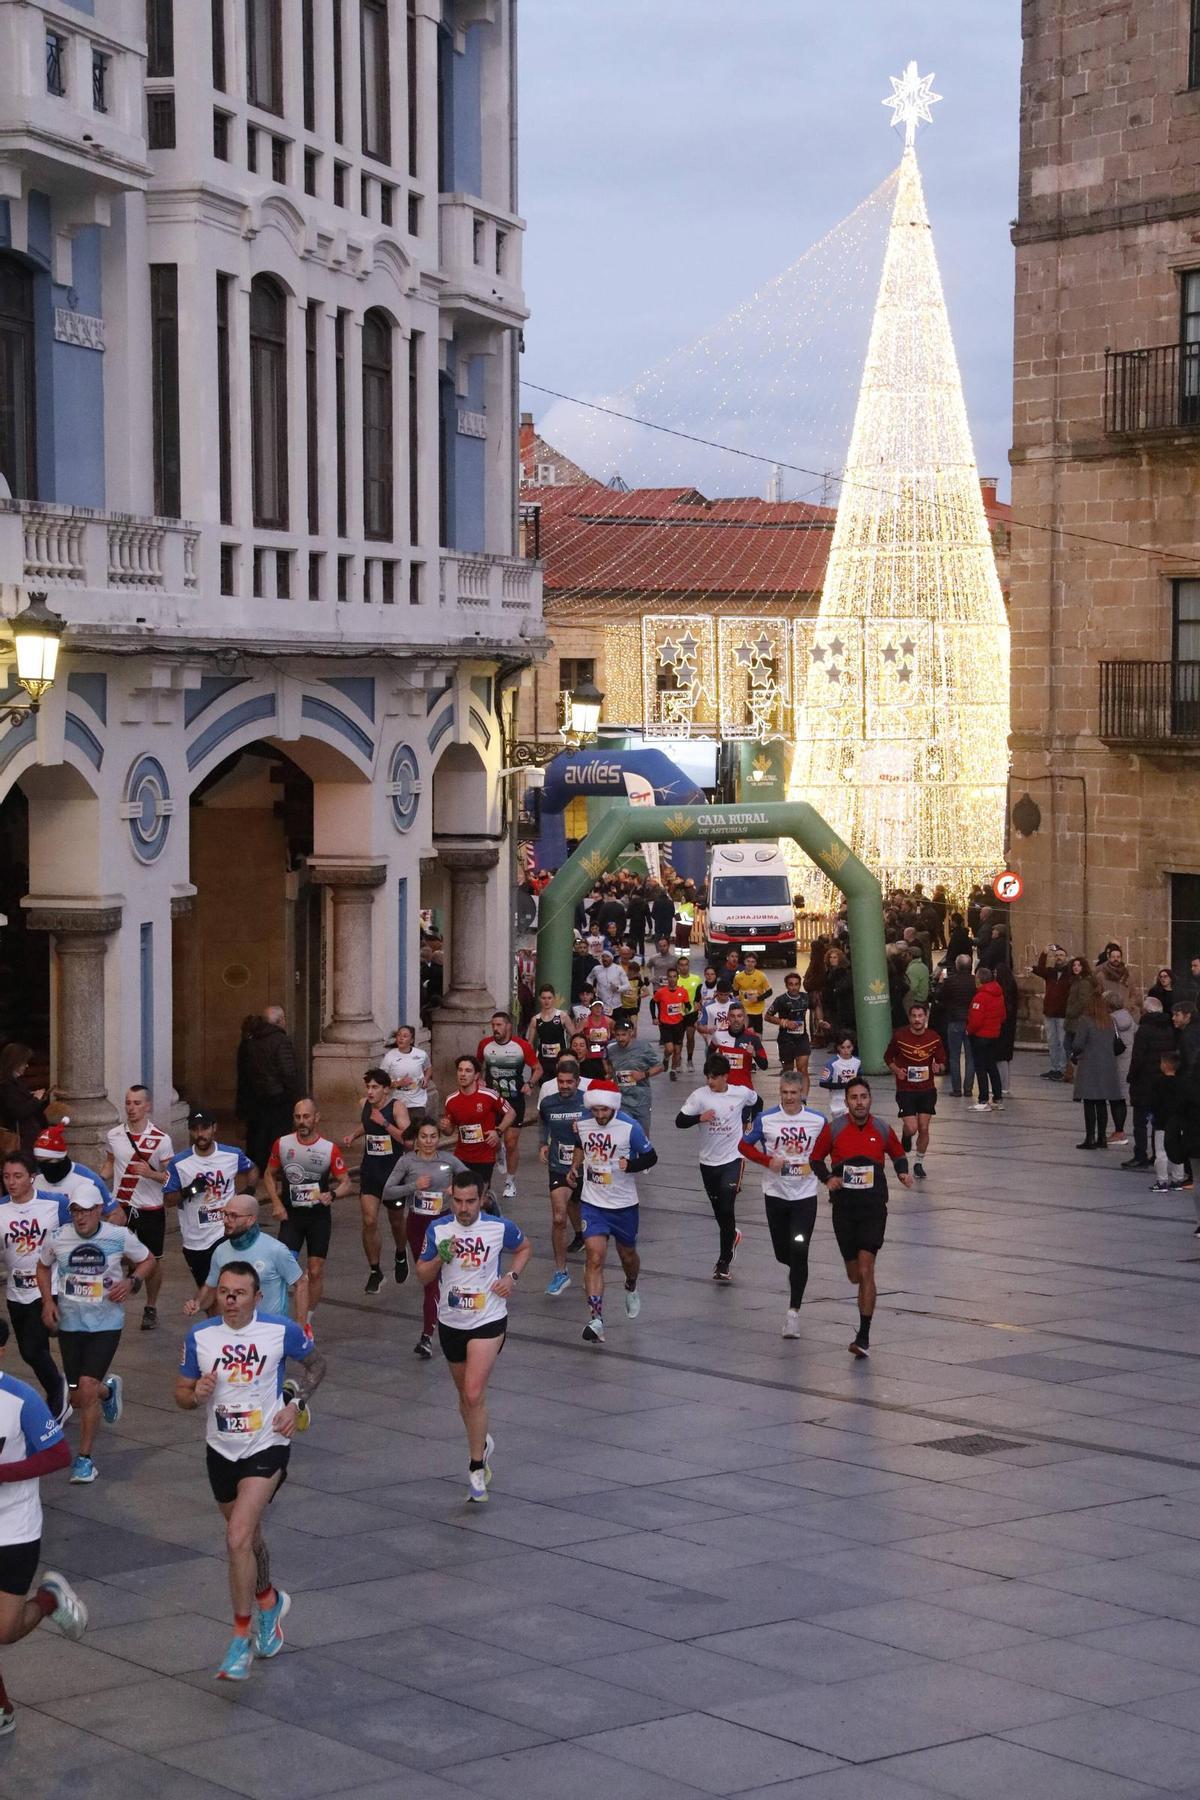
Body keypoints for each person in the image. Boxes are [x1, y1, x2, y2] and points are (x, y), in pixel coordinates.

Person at [176, 1261, 324, 1680]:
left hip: (267, 1446)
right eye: (224, 1291)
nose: (230, 1299)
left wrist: (296, 1405)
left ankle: (240, 1639)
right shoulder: (200, 1337)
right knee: (250, 1540)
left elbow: (317, 1366)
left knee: (236, 1536)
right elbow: (181, 1393)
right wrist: (195, 1394)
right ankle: (269, 1600)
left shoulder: (279, 1331)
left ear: (257, 1298)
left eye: (239, 1293)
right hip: (221, 1450)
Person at [415, 1169, 531, 1502]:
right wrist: (441, 1256)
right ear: (451, 1198)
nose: (464, 1209)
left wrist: (511, 1277)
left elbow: (524, 1248)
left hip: (489, 1318)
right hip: (451, 1321)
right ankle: (482, 1441)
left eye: (470, 1202)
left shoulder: (498, 1227)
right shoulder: (438, 1229)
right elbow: (423, 1275)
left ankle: (477, 1467)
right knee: (466, 1400)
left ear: (481, 1199)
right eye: (458, 1202)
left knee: (474, 1390)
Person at [0, 1318, 88, 1736]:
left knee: (4, 1631)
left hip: (14, 1529)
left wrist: (3, 1472)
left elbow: (57, 1454)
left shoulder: (20, 1401)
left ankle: (50, 1600)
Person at [36, 1186, 155, 1483]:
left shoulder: (118, 1236)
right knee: (77, 1396)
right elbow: (42, 1266)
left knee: (86, 1388)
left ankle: (84, 1459)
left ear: (99, 1209)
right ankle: (109, 1391)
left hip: (106, 1324)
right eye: (76, 1210)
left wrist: (132, 1282)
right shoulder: (58, 1237)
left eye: (87, 1210)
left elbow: (149, 1260)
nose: (81, 1217)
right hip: (70, 1325)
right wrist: (48, 1302)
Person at [810, 1077, 913, 1359]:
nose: (859, 1102)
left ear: (870, 1099)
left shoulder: (881, 1128)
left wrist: (903, 1172)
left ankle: (863, 1336)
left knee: (867, 1270)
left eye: (863, 1097)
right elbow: (815, 1159)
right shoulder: (834, 1129)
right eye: (854, 1097)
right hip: (844, 1210)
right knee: (854, 1274)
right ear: (846, 1102)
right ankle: (862, 1319)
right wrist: (828, 1178)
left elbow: (897, 1153)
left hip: (873, 1209)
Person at [569, 1079, 657, 1344]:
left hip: (623, 1204)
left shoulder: (630, 1127)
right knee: (594, 1257)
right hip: (593, 1203)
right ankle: (596, 1319)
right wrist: (575, 1167)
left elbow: (651, 1157)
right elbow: (580, 1146)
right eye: (594, 1110)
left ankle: (631, 1283)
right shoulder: (582, 1124)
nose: (599, 1116)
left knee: (627, 1255)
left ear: (613, 1107)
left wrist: (630, 1164)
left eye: (604, 1111)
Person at [739, 1073, 827, 1337]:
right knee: (782, 1252)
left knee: (799, 1250)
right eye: (784, 1092)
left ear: (802, 1092)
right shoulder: (766, 1119)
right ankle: (797, 1269)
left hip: (805, 1196)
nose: (789, 1097)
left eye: (793, 1092)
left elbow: (829, 1148)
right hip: (775, 1194)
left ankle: (793, 1313)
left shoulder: (817, 1120)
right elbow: (744, 1146)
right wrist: (768, 1162)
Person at [381, 1122, 468, 1357]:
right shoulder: (407, 1161)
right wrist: (413, 1186)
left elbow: (472, 1181)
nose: (429, 1141)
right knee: (427, 1278)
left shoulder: (448, 1161)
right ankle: (445, 1324)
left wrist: (456, 1188)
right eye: (424, 1137)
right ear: (416, 1139)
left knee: (434, 1282)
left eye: (433, 1137)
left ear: (439, 1138)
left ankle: (427, 1336)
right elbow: (387, 1191)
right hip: (418, 1226)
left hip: (443, 1227)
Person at [263, 1099, 349, 1319]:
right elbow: (269, 1174)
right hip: (291, 1216)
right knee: (283, 1269)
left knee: (316, 1270)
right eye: (297, 1117)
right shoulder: (282, 1144)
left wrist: (333, 1194)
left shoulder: (329, 1149)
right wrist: (276, 1202)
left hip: (318, 1217)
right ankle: (280, 1316)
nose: (302, 1122)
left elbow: (346, 1182)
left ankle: (307, 1320)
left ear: (316, 1118)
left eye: (306, 1117)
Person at [0, 1153, 67, 1419]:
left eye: (17, 1176)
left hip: (50, 1288)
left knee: (32, 1347)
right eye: (6, 1176)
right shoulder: (1, 1210)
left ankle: (57, 1395)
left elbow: (76, 1238)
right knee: (29, 1352)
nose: (11, 1182)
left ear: (32, 1177)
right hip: (16, 1290)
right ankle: (58, 1390)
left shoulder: (55, 1205)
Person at [101, 1085, 173, 1330]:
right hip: (121, 1205)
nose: (131, 1108)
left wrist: (151, 1174)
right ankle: (109, 1298)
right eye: (128, 1103)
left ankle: (150, 1307)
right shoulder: (114, 1135)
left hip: (151, 1208)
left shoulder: (161, 1139)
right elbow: (110, 1165)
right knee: (110, 1252)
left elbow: (171, 1179)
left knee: (153, 1261)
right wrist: (98, 1180)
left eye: (137, 1103)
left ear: (148, 1106)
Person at [676, 1055, 753, 1281]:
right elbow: (680, 1121)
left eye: (715, 1078)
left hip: (733, 1159)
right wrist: (700, 1117)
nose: (710, 1082)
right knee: (720, 1212)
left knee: (728, 1207)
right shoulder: (699, 1096)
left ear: (725, 1077)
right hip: (708, 1162)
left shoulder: (739, 1093)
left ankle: (723, 1261)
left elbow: (755, 1101)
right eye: (708, 1077)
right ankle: (732, 1235)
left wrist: (749, 1121)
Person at [186, 1192, 308, 1330]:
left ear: (250, 1220)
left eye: (233, 1216)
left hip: (270, 1332)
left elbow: (301, 1283)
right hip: (234, 1334)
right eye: (225, 1214)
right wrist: (197, 1303)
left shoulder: (275, 1249)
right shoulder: (220, 1251)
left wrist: (300, 1325)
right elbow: (210, 1288)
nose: (226, 1220)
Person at [163, 1111, 256, 1291]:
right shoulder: (179, 1163)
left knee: (228, 1288)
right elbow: (168, 1200)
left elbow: (252, 1169)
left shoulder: (232, 1154)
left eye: (204, 1128)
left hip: (225, 1233)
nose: (200, 1134)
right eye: (195, 1129)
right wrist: (191, 1190)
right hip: (195, 1239)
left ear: (214, 1128)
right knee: (207, 1295)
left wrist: (248, 1194)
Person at [342, 1070, 410, 1295]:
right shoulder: (365, 1104)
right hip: (370, 1171)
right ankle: (375, 1271)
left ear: (385, 1089)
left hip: (394, 1175)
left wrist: (386, 1124)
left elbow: (408, 1140)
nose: (370, 1092)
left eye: (375, 1087)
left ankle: (401, 1253)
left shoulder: (397, 1107)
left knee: (396, 1221)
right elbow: (366, 1124)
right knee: (369, 1220)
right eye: (368, 1087)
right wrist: (353, 1135)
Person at [537, 1058, 588, 1296]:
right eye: (561, 1081)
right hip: (558, 1166)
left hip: (587, 1168)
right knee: (559, 1217)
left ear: (578, 1082)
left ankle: (585, 1242)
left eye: (569, 1082)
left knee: (579, 1208)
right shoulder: (548, 1103)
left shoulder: (588, 1102)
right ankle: (561, 1271)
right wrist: (542, 1144)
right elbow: (543, 1122)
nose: (565, 1086)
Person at [477, 1013, 538, 1202]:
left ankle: (510, 1181)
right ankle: (498, 1152)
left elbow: (538, 1068)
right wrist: (478, 1079)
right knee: (490, 1140)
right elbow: (477, 1063)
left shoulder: (522, 1046)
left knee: (511, 1142)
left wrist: (530, 1084)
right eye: (493, 1024)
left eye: (499, 1025)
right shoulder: (485, 1044)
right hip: (492, 1100)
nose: (495, 1028)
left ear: (508, 1026)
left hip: (514, 1099)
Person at [237, 1007, 301, 1182]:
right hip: (278, 1096)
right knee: (278, 1134)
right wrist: (296, 1095)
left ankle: (259, 1166)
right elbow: (288, 1071)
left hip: (257, 1096)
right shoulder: (280, 1040)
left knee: (259, 1133)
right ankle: (275, 1168)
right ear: (280, 1021)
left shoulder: (251, 1040)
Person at [884, 1002, 945, 1180]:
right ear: (910, 1018)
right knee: (912, 1127)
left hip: (927, 1089)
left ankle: (918, 1163)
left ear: (926, 1017)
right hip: (906, 1089)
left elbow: (941, 1062)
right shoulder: (900, 1036)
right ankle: (905, 1134)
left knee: (924, 1127)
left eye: (921, 1016)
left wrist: (938, 1067)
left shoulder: (934, 1037)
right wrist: (897, 1070)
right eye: (914, 1016)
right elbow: (888, 1057)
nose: (917, 1020)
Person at [440, 1056, 515, 1199]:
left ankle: (490, 1203)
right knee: (461, 1196)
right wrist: (445, 1126)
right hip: (461, 1156)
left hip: (484, 1155)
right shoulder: (451, 1100)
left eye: (468, 1071)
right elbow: (449, 1131)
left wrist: (498, 1131)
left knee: (478, 1199)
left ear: (476, 1075)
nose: (463, 1074)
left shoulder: (489, 1095)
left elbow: (511, 1113)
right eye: (460, 1070)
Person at [1124, 996, 1176, 1171]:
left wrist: (1131, 1076)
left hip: (1144, 1081)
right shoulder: (1169, 1028)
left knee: (1140, 1121)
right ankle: (1157, 1152)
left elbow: (1137, 1057)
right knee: (1157, 1120)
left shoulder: (1144, 1030)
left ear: (1146, 1011)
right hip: (1162, 1080)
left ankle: (1140, 1154)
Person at [1070, 986, 1125, 1150]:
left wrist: (1074, 1051)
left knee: (1089, 1102)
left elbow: (1078, 1044)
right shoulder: (1110, 1020)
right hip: (1108, 1065)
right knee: (1101, 1102)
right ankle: (1102, 1137)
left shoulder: (1085, 1021)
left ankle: (1090, 1137)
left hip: (1090, 1064)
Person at [606, 1013, 663, 1125]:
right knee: (625, 1134)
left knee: (642, 1136)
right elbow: (610, 1069)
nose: (620, 1038)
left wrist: (643, 1074)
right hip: (621, 1101)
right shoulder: (611, 1049)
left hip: (641, 1100)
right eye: (617, 1035)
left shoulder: (643, 1047)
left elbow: (660, 1067)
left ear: (631, 1033)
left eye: (624, 1035)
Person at [937, 954, 977, 1097]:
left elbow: (940, 997)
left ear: (957, 966)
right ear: (970, 966)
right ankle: (968, 1088)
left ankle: (956, 1089)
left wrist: (941, 983)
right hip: (971, 1022)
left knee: (954, 1056)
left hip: (954, 1020)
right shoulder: (975, 982)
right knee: (971, 1057)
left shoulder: (950, 982)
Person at [967, 968, 1006, 1112]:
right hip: (994, 1035)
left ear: (979, 979)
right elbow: (1003, 1016)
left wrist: (968, 1030)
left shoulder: (980, 997)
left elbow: (976, 1020)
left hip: (980, 1036)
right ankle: (997, 1098)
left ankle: (983, 1099)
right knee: (992, 1066)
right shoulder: (999, 994)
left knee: (981, 1068)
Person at [380, 1025, 433, 1133]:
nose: (401, 1038)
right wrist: (398, 1083)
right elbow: (381, 1080)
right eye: (399, 1035)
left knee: (417, 1133)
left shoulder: (421, 1055)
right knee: (402, 1134)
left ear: (412, 1040)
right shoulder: (390, 1056)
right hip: (397, 1102)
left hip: (417, 1102)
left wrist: (426, 1079)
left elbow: (428, 1068)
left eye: (405, 1036)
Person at [765, 972, 811, 1091]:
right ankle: (788, 1095)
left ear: (800, 985)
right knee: (788, 1071)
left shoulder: (805, 997)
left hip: (802, 1038)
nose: (794, 987)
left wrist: (820, 1021)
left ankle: (803, 1098)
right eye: (791, 984)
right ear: (786, 985)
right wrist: (785, 1023)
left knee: (803, 1069)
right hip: (786, 1039)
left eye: (796, 984)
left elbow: (817, 1007)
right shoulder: (781, 1000)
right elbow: (768, 1016)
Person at [0, 1046, 48, 1158]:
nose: (26, 1066)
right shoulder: (6, 1084)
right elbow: (18, 1111)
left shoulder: (14, 1081)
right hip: (22, 1138)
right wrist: (36, 1099)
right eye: (24, 1063)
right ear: (15, 1062)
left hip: (28, 1136)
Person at [1035, 946, 1074, 1081]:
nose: (1059, 957)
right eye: (1057, 955)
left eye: (1061, 955)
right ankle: (1054, 1067)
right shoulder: (1050, 973)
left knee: (1062, 1042)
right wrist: (1044, 953)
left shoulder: (1069, 974)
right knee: (1052, 1042)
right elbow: (1040, 970)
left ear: (1066, 957)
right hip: (1050, 1013)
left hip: (1062, 1014)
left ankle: (1062, 1069)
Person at [530, 985, 573, 1085]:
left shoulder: (562, 1016)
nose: (546, 1001)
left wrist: (570, 1055)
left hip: (560, 1061)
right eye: (544, 998)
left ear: (553, 998)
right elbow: (530, 1045)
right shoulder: (535, 1020)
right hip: (543, 1062)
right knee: (545, 1089)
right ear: (539, 999)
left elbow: (575, 1036)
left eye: (549, 998)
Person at [652, 966, 689, 1080]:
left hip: (678, 1024)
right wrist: (654, 1017)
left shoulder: (683, 991)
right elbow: (652, 1003)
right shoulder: (661, 992)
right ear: (667, 978)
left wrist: (689, 1008)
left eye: (674, 977)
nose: (672, 979)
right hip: (666, 1024)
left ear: (677, 978)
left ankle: (672, 1070)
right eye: (670, 977)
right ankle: (666, 1058)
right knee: (669, 1049)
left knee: (677, 1050)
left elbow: (687, 1005)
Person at [818, 1034, 861, 1117]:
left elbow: (859, 1077)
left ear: (853, 1047)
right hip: (837, 1104)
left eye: (849, 1047)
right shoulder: (832, 1063)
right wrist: (842, 1085)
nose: (846, 1050)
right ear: (838, 1047)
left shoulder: (857, 1062)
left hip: (853, 1102)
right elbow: (823, 1082)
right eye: (842, 1047)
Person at [733, 954, 772, 1028]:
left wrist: (757, 999)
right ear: (744, 962)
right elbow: (735, 990)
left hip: (757, 1010)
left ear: (755, 963)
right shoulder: (738, 977)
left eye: (752, 962)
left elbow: (769, 992)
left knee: (757, 1035)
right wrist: (737, 997)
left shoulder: (761, 976)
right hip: (744, 1010)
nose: (750, 964)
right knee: (745, 1033)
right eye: (748, 961)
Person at [593, 949, 626, 1014]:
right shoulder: (596, 969)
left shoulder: (619, 969)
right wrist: (592, 989)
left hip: (616, 1005)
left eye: (607, 956)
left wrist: (618, 988)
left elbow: (627, 986)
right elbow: (589, 979)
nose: (604, 959)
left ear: (611, 958)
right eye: (603, 956)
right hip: (601, 1004)